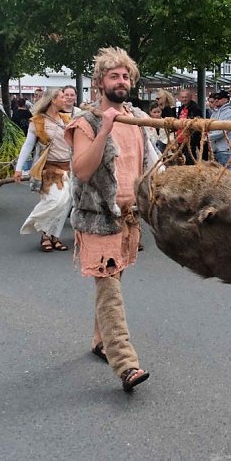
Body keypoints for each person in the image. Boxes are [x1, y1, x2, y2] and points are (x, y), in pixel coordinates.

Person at [65, 46, 156, 392]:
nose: (121, 81)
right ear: (100, 81)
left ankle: (99, 340)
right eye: (114, 75)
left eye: (125, 76)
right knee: (109, 287)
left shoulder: (136, 119)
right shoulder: (85, 122)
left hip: (128, 217)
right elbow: (82, 170)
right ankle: (126, 364)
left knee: (112, 282)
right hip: (97, 217)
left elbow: (149, 162)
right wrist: (104, 130)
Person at [14, 89, 73, 252]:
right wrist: (19, 168)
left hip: (67, 167)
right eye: (62, 96)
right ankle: (37, 226)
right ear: (53, 100)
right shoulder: (37, 121)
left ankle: (54, 236)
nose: (65, 99)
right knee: (53, 201)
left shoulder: (67, 119)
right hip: (48, 168)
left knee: (64, 204)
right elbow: (28, 145)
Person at [207, 90, 231, 168]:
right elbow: (209, 128)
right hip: (214, 150)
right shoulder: (214, 113)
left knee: (225, 175)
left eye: (219, 98)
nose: (216, 100)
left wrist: (207, 137)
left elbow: (222, 132)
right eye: (216, 98)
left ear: (226, 99)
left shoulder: (229, 113)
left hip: (225, 150)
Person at [175, 88, 203, 164]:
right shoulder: (181, 108)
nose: (184, 99)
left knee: (190, 161)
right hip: (180, 140)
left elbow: (198, 126)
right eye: (182, 97)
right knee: (181, 161)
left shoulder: (195, 109)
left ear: (190, 97)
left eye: (186, 97)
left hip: (190, 141)